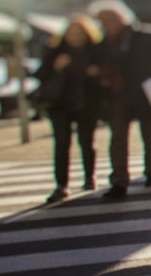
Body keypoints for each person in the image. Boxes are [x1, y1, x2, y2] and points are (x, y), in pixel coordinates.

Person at [91, 0, 151, 200]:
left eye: (108, 20)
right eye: (102, 21)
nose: (105, 25)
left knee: (150, 135)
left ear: (121, 18)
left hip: (146, 94)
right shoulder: (103, 43)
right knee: (118, 139)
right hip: (117, 96)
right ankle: (119, 181)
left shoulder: (147, 36)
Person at [37, 15, 108, 204]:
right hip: (60, 104)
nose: (74, 36)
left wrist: (96, 72)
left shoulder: (96, 51)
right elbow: (41, 74)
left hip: (87, 103)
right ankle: (61, 185)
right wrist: (56, 67)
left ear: (87, 33)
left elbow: (105, 75)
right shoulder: (55, 51)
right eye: (71, 32)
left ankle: (89, 177)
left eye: (79, 32)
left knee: (87, 141)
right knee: (61, 144)